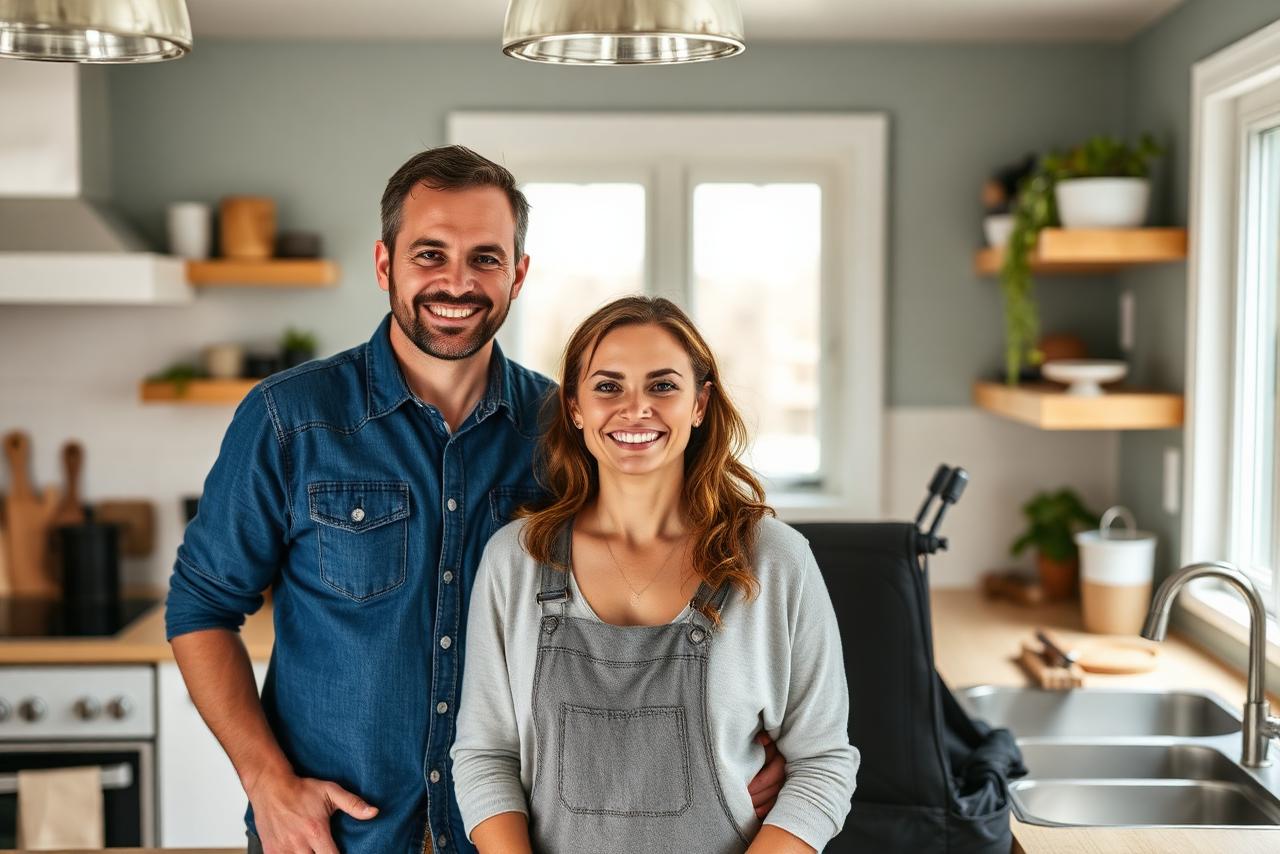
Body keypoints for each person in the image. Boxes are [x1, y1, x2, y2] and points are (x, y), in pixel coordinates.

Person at [164, 146, 786, 854]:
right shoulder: (290, 418)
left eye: (485, 258)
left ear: (518, 274)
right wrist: (267, 783)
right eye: (430, 254)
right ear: (384, 264)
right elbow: (201, 608)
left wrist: (735, 740)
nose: (456, 282)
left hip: (519, 836)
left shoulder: (565, 428)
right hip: (334, 838)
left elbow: (653, 590)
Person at [451, 296, 858, 854]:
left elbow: (823, 765)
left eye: (663, 386)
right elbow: (485, 755)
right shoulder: (515, 560)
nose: (635, 408)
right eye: (608, 386)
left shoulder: (776, 561)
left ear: (700, 403)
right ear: (574, 407)